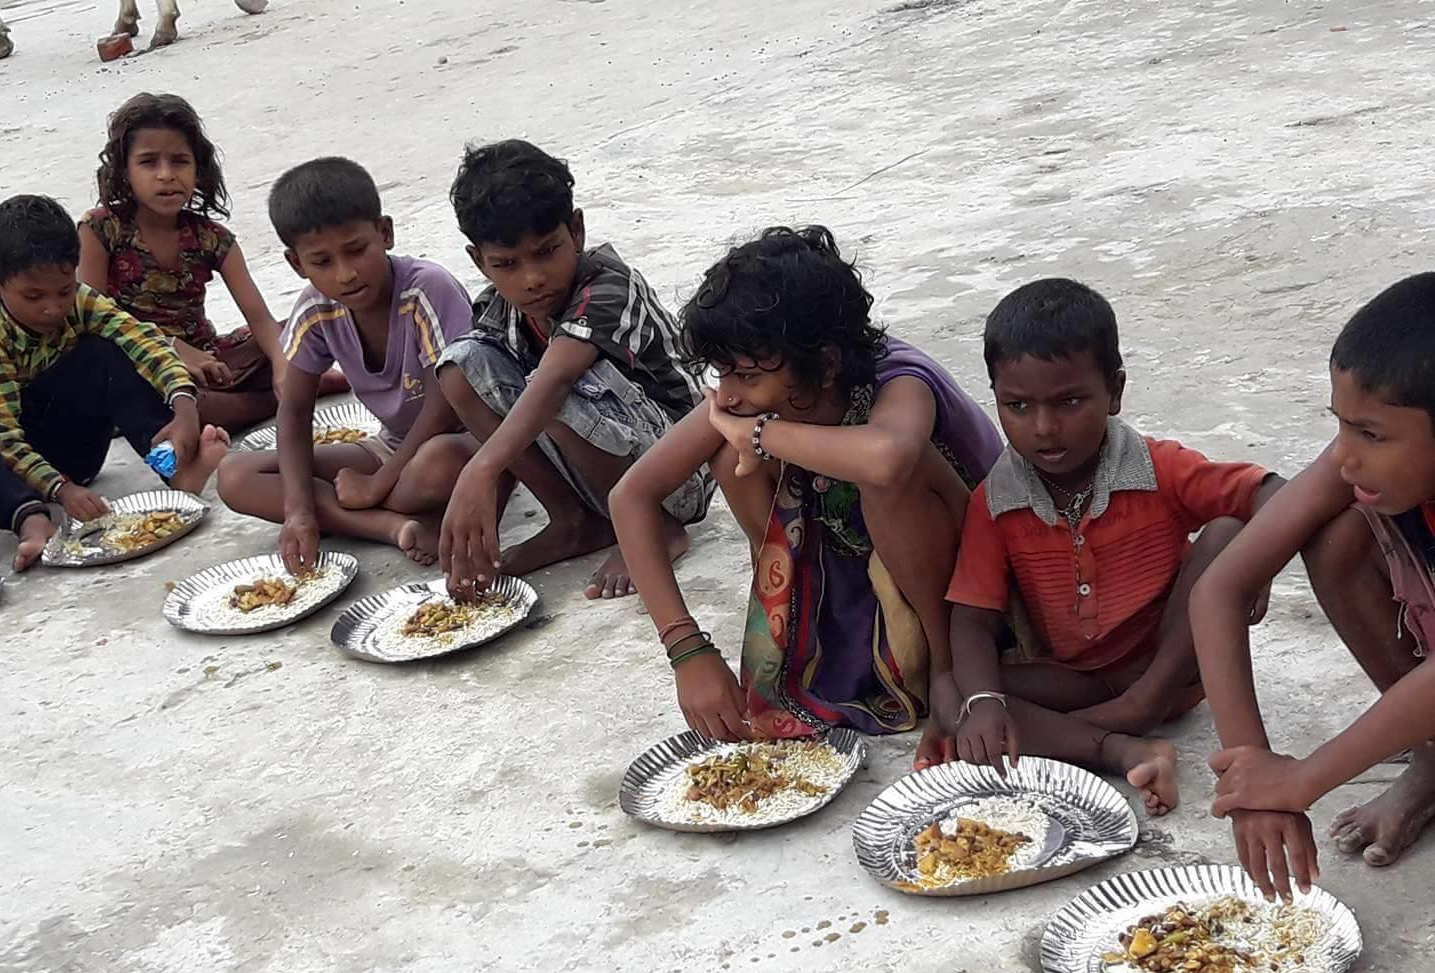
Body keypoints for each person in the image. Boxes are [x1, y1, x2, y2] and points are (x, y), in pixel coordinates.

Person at [610, 225, 1002, 741]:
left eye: (747, 377)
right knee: (729, 456)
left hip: (973, 582)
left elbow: (887, 460)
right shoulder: (745, 393)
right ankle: (800, 627)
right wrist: (686, 649)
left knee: (884, 474)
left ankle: (945, 669)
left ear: (826, 364)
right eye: (722, 374)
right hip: (864, 574)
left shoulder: (898, 378)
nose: (727, 396)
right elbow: (631, 497)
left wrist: (759, 434)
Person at [934, 278, 1283, 816]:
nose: (1044, 427)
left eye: (1069, 401)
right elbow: (972, 621)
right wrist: (983, 705)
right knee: (949, 692)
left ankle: (1123, 716)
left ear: (1115, 391)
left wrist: (1256, 567)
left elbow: (1275, 493)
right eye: (1018, 406)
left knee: (1227, 535)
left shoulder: (1159, 467)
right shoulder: (995, 502)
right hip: (1085, 680)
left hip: (1174, 663)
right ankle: (1124, 749)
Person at [1196, 273, 1435, 900]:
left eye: (1370, 434)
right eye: (1342, 426)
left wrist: (1302, 779)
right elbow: (1219, 589)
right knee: (1338, 535)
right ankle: (1432, 757)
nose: (1343, 456)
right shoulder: (1355, 459)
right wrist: (1253, 781)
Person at [436, 139, 712, 601]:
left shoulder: (609, 286)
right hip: (593, 473)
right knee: (460, 366)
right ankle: (573, 521)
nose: (532, 278)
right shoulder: (500, 308)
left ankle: (655, 527)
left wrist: (480, 469)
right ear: (478, 261)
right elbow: (488, 389)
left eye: (547, 251)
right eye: (506, 264)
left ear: (577, 231)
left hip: (676, 472)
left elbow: (556, 379)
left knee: (555, 386)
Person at [0, 195, 227, 572]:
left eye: (64, 291)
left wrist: (184, 405)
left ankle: (174, 465)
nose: (52, 308)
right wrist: (61, 489)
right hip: (15, 469)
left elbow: (143, 340)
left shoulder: (81, 302)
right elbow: (5, 438)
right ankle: (31, 522)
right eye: (33, 296)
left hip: (76, 448)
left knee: (101, 350)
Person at [216, 157, 475, 571]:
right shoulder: (316, 310)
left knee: (438, 462)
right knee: (234, 476)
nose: (346, 274)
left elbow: (446, 406)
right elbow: (294, 411)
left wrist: (377, 483)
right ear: (297, 264)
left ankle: (374, 509)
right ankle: (390, 526)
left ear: (385, 233)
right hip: (392, 447)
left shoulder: (426, 289)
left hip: (459, 441)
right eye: (322, 262)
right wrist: (298, 510)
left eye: (356, 250)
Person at [78, 93, 343, 435]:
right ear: (124, 171)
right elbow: (92, 322)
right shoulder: (101, 230)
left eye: (179, 161)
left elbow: (261, 321)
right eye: (148, 162)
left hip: (211, 361)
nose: (166, 175)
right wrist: (171, 349)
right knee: (182, 405)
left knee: (308, 324)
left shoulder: (212, 237)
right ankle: (286, 396)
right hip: (141, 367)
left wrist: (282, 365)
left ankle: (292, 385)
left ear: (198, 170)